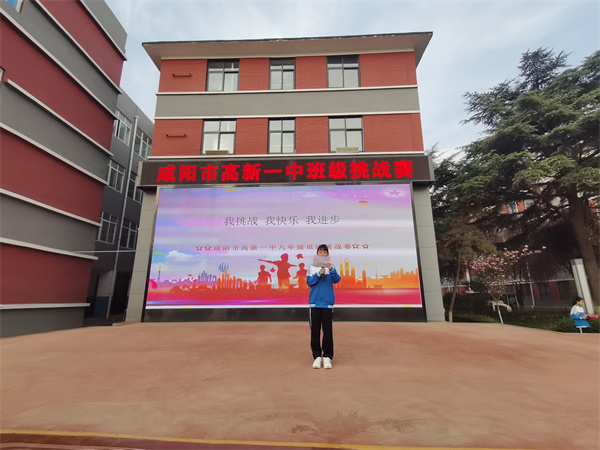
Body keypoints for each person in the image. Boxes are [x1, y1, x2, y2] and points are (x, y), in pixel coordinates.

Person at [307, 244, 341, 369]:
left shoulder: (331, 267)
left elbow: (336, 279)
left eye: (324, 252)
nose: (322, 254)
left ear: (327, 254)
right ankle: (316, 356)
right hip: (315, 303)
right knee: (315, 331)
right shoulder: (312, 267)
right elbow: (309, 282)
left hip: (327, 304)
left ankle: (327, 357)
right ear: (317, 253)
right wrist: (318, 274)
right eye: (320, 252)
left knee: (327, 331)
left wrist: (331, 270)